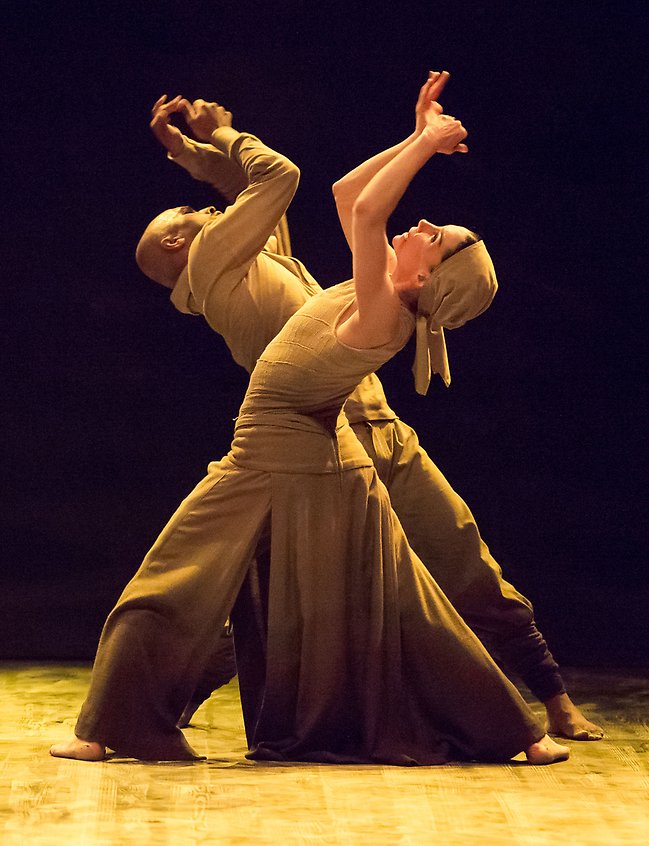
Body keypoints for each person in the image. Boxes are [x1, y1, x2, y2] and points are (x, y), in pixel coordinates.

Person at [51, 78, 570, 765]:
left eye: (433, 237)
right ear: (180, 240)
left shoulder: (359, 291)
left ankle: (535, 711)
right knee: (353, 594)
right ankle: (516, 731)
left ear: (427, 279)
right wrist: (418, 137)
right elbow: (337, 195)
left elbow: (323, 197)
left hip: (323, 441)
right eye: (191, 210)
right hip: (307, 445)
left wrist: (205, 144)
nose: (420, 226)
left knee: (415, 581)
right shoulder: (247, 263)